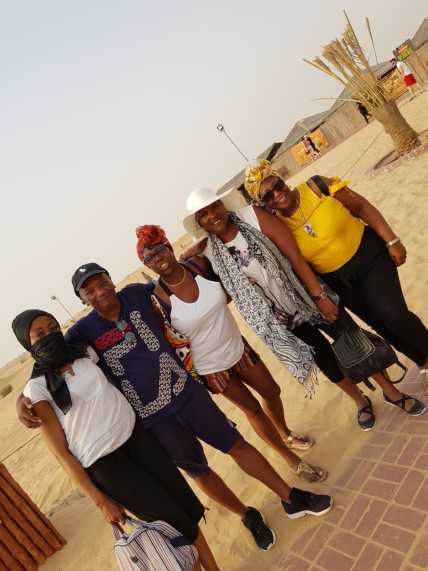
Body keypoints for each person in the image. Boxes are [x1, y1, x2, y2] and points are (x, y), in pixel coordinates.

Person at [16, 264, 333, 551]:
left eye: (102, 283)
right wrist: (21, 398)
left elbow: (173, 279)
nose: (99, 292)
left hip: (187, 394)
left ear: (111, 280)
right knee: (199, 472)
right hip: (154, 421)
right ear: (82, 299)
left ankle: (289, 497)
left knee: (236, 444)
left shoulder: (136, 294)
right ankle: (246, 514)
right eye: (89, 290)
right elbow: (48, 356)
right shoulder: (82, 332)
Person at [182, 185, 425, 431]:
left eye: (214, 206)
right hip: (281, 316)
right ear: (199, 222)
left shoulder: (252, 216)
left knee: (351, 339)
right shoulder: (209, 252)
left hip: (307, 294)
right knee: (323, 357)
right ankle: (360, 401)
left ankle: (391, 392)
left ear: (222, 205)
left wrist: (319, 296)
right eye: (203, 214)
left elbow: (295, 257)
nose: (212, 215)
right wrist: (188, 253)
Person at [11, 309, 218, 571]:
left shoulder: (84, 353)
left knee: (186, 509)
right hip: (107, 466)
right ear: (27, 345)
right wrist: (100, 501)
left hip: (138, 440)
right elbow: (61, 453)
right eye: (39, 334)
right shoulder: (37, 388)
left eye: (53, 328)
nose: (49, 335)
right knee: (173, 525)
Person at [136, 224, 326, 483]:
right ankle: (291, 459)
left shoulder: (198, 266)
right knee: (253, 409)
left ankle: (285, 433)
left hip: (238, 346)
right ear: (146, 265)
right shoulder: (158, 300)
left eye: (159, 250)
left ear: (168, 247)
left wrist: (189, 252)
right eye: (149, 257)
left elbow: (217, 247)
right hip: (211, 368)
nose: (157, 258)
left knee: (272, 391)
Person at [244, 158, 428, 413]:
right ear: (262, 203)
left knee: (393, 314)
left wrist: (391, 239)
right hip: (339, 281)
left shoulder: (316, 186)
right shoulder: (278, 226)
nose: (277, 194)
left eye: (277, 185)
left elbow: (361, 206)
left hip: (369, 256)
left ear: (282, 179)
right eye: (267, 196)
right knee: (380, 325)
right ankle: (422, 361)